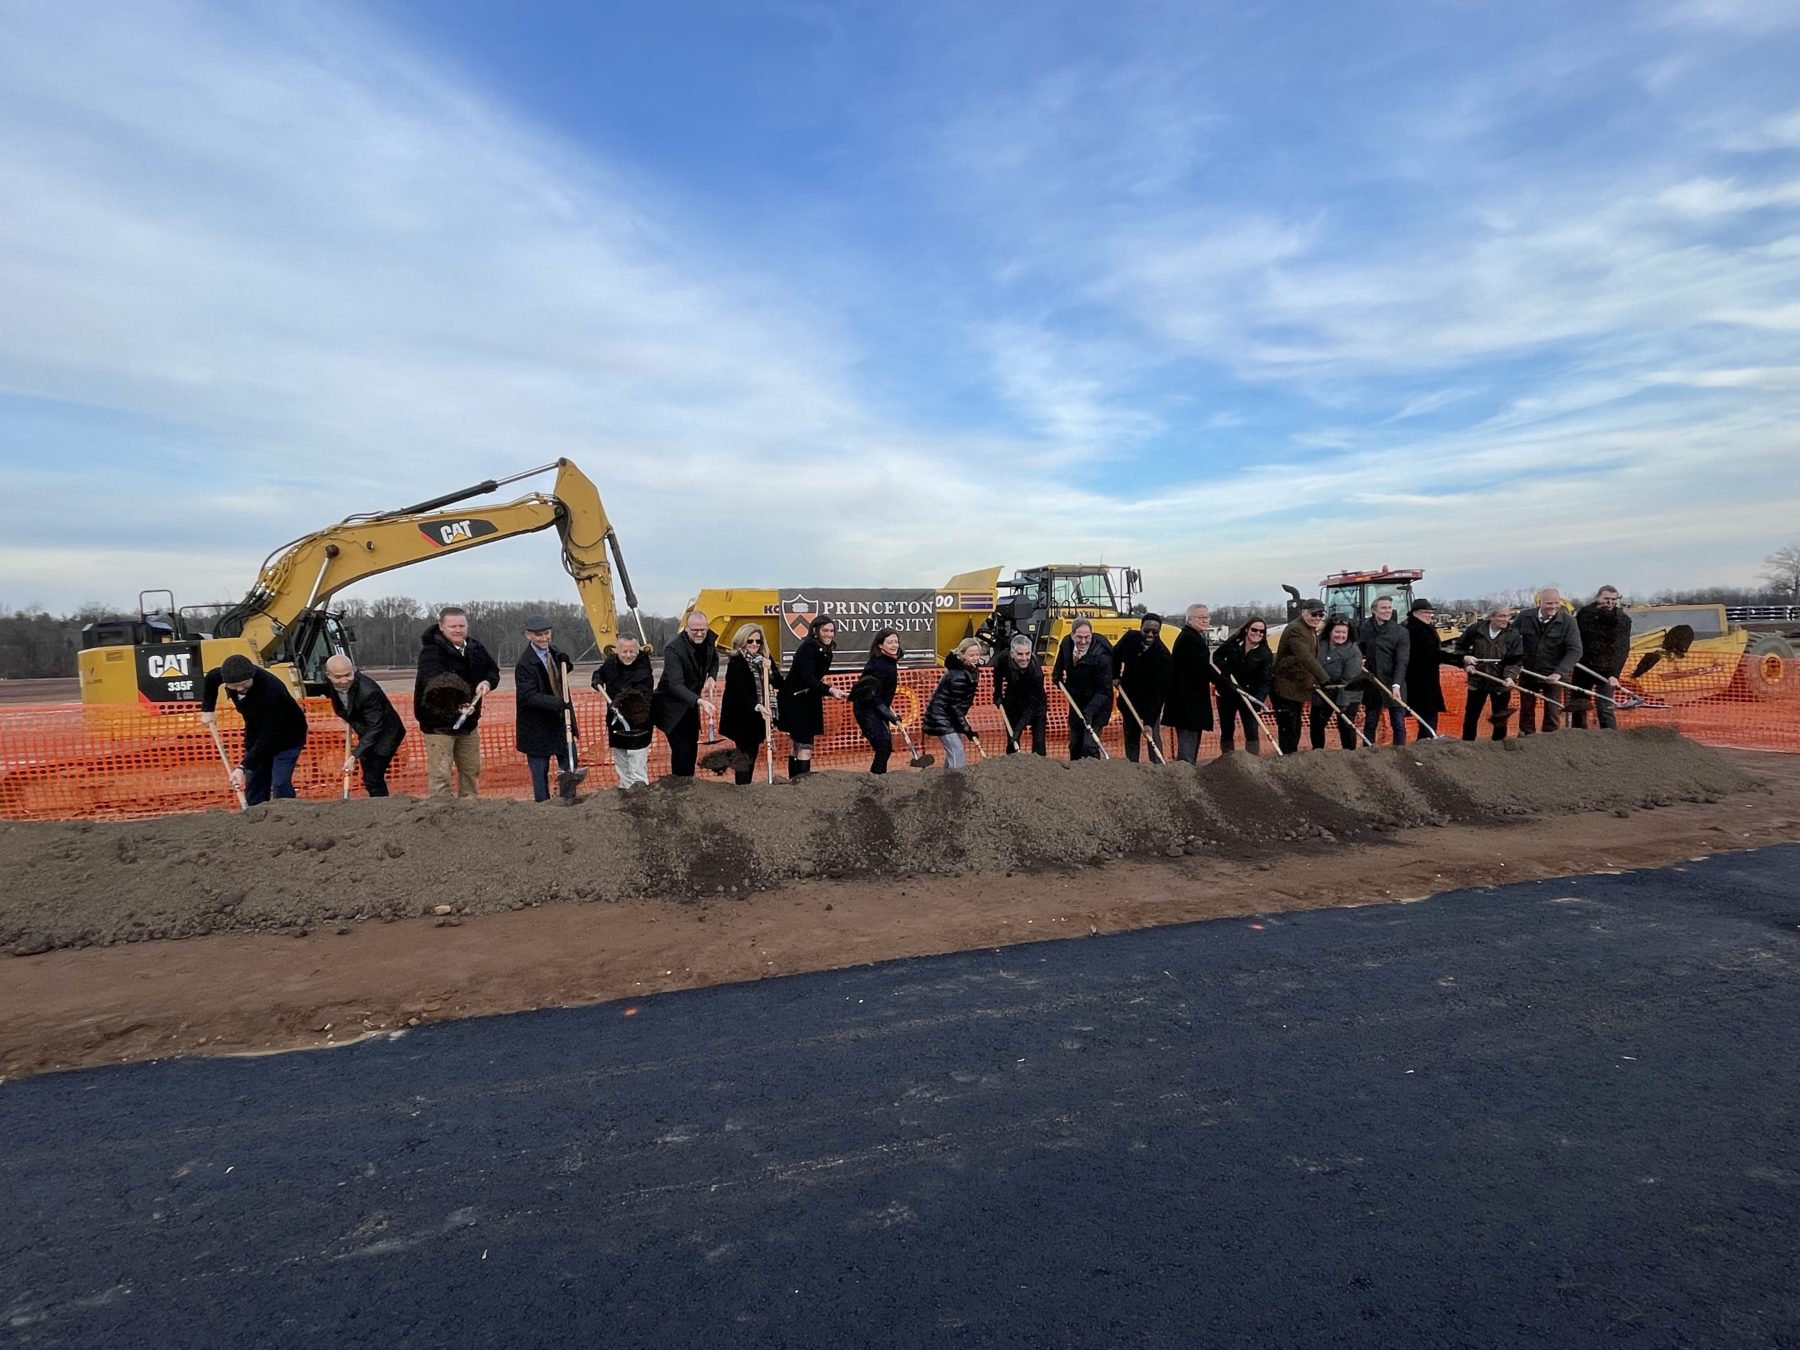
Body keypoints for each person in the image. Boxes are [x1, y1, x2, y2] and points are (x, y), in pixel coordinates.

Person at [414, 606, 500, 798]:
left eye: (461, 625)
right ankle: (441, 811)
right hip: (438, 725)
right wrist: (458, 705)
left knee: (471, 769)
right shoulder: (431, 654)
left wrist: (487, 682)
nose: (458, 630)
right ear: (441, 627)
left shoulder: (476, 648)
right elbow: (435, 684)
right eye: (452, 626)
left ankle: (470, 807)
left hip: (468, 725)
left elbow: (492, 670)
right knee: (441, 774)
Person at [200, 653, 309, 805]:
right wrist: (207, 709)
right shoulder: (227, 674)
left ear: (253, 675)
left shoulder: (273, 692)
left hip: (287, 735)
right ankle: (255, 813)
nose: (239, 689)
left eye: (244, 684)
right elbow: (211, 678)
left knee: (279, 782)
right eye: (234, 685)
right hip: (256, 729)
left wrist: (243, 766)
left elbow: (269, 738)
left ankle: (286, 812)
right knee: (255, 780)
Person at [323, 654, 405, 797]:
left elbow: (376, 728)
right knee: (368, 773)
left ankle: (381, 807)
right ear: (328, 675)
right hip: (365, 728)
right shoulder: (333, 683)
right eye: (337, 677)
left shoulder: (368, 692)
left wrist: (353, 756)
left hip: (386, 734)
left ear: (353, 669)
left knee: (373, 776)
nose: (343, 681)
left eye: (348, 675)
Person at [514, 615, 576, 803]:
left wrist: (567, 663)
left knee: (570, 766)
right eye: (538, 635)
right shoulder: (524, 663)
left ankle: (568, 799)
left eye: (546, 634)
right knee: (540, 772)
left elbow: (558, 675)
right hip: (537, 727)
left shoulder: (554, 652)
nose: (543, 638)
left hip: (560, 723)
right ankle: (544, 808)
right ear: (528, 636)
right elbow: (528, 696)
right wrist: (558, 703)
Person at [776, 615, 848, 777]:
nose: (829, 634)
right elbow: (807, 677)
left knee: (797, 744)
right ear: (816, 631)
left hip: (806, 699)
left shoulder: (823, 649)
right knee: (804, 745)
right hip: (797, 701)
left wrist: (826, 690)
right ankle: (802, 783)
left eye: (832, 631)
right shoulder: (809, 647)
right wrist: (830, 690)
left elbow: (813, 679)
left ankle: (794, 780)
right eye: (825, 630)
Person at [653, 610, 720, 778]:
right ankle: (679, 787)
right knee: (681, 750)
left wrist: (711, 677)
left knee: (692, 747)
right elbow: (675, 684)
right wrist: (699, 701)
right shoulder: (673, 648)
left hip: (691, 705)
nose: (699, 633)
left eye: (702, 630)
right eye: (695, 630)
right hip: (672, 707)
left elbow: (714, 660)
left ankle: (688, 783)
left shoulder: (709, 640)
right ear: (686, 628)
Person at [720, 623, 784, 784]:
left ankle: (746, 785)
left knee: (752, 752)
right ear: (742, 642)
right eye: (751, 641)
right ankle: (742, 787)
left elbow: (779, 683)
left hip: (758, 717)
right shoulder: (737, 662)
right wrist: (756, 706)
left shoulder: (765, 659)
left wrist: (769, 670)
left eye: (758, 641)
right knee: (744, 753)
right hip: (741, 715)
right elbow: (737, 692)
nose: (755, 644)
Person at [1513, 588, 1583, 735]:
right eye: (1549, 603)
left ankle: (1550, 740)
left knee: (1552, 711)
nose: (1553, 606)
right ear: (1540, 602)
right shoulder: (1525, 617)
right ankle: (1527, 738)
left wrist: (1559, 673)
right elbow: (1511, 640)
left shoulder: (1568, 621)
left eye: (1556, 603)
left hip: (1553, 675)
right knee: (1526, 710)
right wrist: (1514, 665)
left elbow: (1575, 650)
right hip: (1528, 672)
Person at [1452, 604, 1525, 741]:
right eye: (1502, 616)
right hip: (1477, 680)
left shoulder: (1513, 635)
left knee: (1500, 717)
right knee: (1471, 716)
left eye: (1508, 616)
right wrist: (1466, 662)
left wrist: (1510, 676)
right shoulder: (1475, 630)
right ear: (1491, 617)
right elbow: (1460, 648)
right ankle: (1468, 744)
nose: (1506, 619)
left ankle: (1498, 746)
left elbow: (1515, 660)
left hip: (1500, 682)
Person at [592, 633, 654, 787]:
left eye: (632, 651)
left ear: (638, 650)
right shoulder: (610, 663)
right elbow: (599, 673)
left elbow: (639, 695)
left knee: (636, 762)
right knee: (621, 761)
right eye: (624, 652)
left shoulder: (643, 667)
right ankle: (625, 791)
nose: (628, 655)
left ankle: (640, 793)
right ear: (617, 651)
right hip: (616, 723)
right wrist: (596, 680)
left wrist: (618, 703)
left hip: (639, 722)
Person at [1272, 601, 1331, 755]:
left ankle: (1292, 760)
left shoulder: (1309, 629)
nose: (1317, 617)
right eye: (1313, 614)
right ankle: (1288, 762)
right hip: (1287, 688)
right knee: (1289, 729)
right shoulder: (1296, 630)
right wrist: (1324, 679)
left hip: (1298, 688)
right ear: (1304, 612)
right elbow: (1306, 657)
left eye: (1320, 614)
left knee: (1295, 727)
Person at [1112, 613, 1172, 763]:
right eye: (1146, 631)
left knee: (1152, 736)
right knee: (1131, 737)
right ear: (1141, 628)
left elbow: (1159, 694)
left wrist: (1149, 723)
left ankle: (1157, 768)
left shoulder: (1163, 656)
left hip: (1150, 703)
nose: (1150, 635)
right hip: (1129, 699)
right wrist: (1115, 676)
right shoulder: (1130, 639)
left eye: (1155, 632)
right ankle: (1133, 769)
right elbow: (1114, 655)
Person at [1570, 586, 1633, 730]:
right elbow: (1575, 639)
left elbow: (1622, 649)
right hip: (1583, 667)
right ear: (1598, 597)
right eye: (1606, 599)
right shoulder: (1584, 614)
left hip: (1606, 670)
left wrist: (1614, 674)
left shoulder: (1622, 620)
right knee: (1578, 706)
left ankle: (1610, 739)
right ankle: (1577, 738)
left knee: (1605, 707)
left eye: (1613, 599)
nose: (1609, 602)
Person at [1051, 620, 1114, 760]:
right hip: (1077, 701)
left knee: (1089, 745)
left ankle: (1094, 774)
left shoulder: (1101, 655)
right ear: (1072, 635)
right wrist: (1057, 678)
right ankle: (1075, 775)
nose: (1083, 641)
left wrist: (1089, 711)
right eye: (1079, 637)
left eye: (1087, 637)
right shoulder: (1066, 644)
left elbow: (1104, 690)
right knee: (1075, 744)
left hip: (1099, 703)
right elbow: (1058, 670)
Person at [1163, 604, 1216, 764]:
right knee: (1187, 751)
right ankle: (1185, 777)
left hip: (1192, 703)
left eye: (1207, 617)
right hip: (1187, 704)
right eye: (1200, 617)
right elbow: (1202, 668)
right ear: (1190, 619)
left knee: (1192, 744)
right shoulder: (1189, 639)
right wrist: (1224, 683)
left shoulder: (1194, 637)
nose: (1205, 620)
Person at [1356, 595, 1411, 747]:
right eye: (1384, 608)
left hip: (1393, 682)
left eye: (1389, 608)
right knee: (1371, 721)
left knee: (1398, 722)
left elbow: (1402, 660)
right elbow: (1359, 648)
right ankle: (1368, 752)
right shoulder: (1365, 628)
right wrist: (1359, 660)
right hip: (1373, 682)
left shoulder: (1400, 632)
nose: (1388, 611)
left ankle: (1401, 752)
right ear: (1374, 610)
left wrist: (1396, 684)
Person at [1214, 617, 1273, 754]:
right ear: (1247, 629)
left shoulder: (1265, 653)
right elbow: (1217, 656)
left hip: (1248, 695)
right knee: (1227, 728)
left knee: (1251, 729)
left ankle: (1252, 759)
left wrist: (1258, 700)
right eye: (1254, 630)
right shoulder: (1234, 643)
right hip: (1227, 692)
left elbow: (1265, 681)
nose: (1257, 633)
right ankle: (1228, 758)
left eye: (1261, 631)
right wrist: (1226, 669)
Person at [923, 639, 985, 769]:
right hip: (941, 717)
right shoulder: (958, 675)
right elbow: (954, 706)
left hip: (949, 716)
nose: (975, 658)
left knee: (954, 750)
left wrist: (964, 726)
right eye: (971, 655)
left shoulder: (970, 671)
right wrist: (967, 729)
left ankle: (946, 778)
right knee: (957, 750)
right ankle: (955, 782)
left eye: (977, 654)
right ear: (962, 655)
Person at [1402, 599, 1458, 737]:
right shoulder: (1414, 630)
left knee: (1429, 715)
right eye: (1426, 612)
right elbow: (1431, 653)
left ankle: (1427, 740)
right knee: (1428, 714)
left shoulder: (1425, 628)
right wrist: (1461, 659)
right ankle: (1427, 742)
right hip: (1419, 680)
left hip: (1427, 677)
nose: (1430, 615)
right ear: (1415, 613)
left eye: (1431, 612)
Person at [851, 629, 904, 773]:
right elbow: (874, 696)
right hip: (866, 709)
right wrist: (890, 716)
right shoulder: (877, 666)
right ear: (881, 645)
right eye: (890, 642)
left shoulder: (890, 661)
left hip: (877, 708)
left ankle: (879, 778)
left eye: (896, 642)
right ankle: (876, 780)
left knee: (885, 747)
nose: (894, 645)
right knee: (883, 746)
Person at [1312, 619, 1365, 750]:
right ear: (1330, 631)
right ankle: (1317, 752)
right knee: (1316, 723)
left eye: (1344, 632)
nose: (1340, 636)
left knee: (1345, 724)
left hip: (1347, 692)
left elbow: (1349, 680)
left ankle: (1349, 753)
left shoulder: (1353, 651)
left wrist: (1343, 704)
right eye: (1337, 632)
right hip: (1324, 690)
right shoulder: (1320, 645)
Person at [993, 635, 1047, 756]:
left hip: (1035, 704)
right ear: (1012, 654)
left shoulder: (1037, 673)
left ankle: (1041, 769)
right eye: (1020, 654)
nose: (1024, 658)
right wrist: (997, 695)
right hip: (1013, 700)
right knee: (1012, 741)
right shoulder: (1002, 659)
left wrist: (1018, 730)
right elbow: (998, 677)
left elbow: (1031, 707)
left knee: (1039, 741)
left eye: (1027, 654)